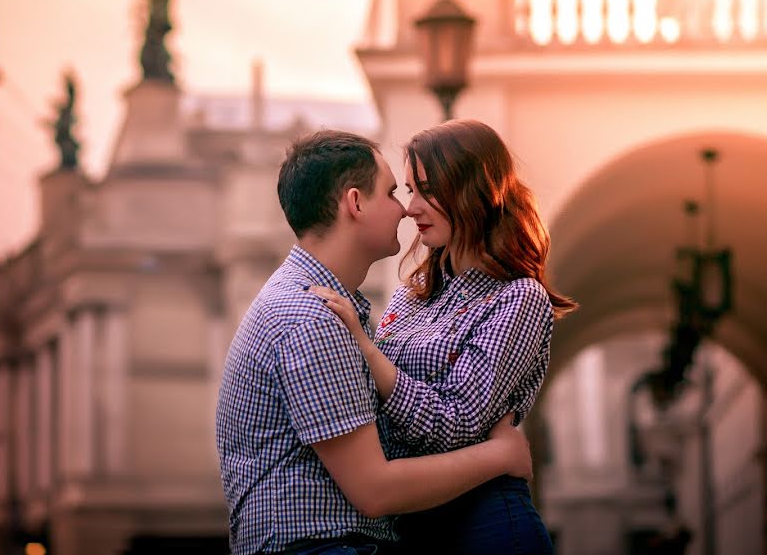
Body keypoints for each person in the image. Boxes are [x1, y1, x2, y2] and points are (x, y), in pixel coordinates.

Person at [215, 129, 535, 555]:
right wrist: (502, 456)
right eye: (394, 192)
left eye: (423, 191)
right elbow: (375, 489)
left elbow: (441, 424)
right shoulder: (313, 317)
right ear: (356, 203)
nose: (405, 209)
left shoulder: (323, 308)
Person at [310, 119, 577, 554]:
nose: (411, 207)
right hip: (410, 526)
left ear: (474, 190)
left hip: (485, 527)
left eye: (426, 189)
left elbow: (456, 424)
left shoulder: (519, 298)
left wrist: (365, 348)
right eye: (409, 190)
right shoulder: (410, 296)